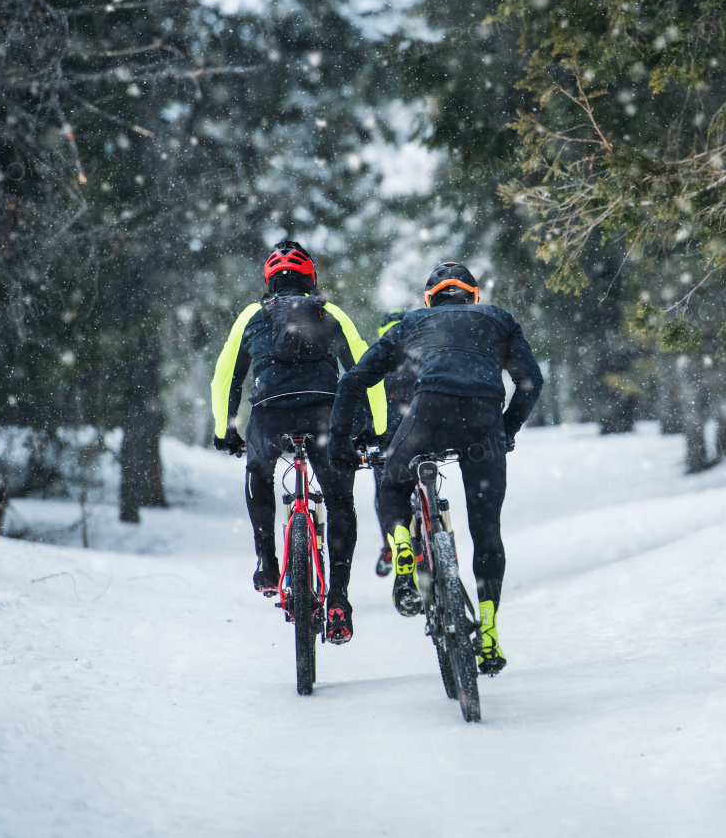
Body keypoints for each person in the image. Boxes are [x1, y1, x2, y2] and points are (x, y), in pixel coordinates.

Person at [327, 262, 542, 675]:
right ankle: (490, 629)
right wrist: (505, 429)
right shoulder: (499, 320)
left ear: (431, 299)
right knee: (486, 529)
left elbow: (355, 380)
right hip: (483, 421)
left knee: (392, 484)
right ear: (473, 296)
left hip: (429, 413)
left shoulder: (413, 322)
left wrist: (339, 442)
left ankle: (403, 542)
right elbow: (531, 381)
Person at [210, 240, 386, 645]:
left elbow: (225, 376)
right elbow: (363, 370)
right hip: (325, 418)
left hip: (270, 418)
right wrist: (375, 429)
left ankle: (267, 563)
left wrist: (225, 431)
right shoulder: (329, 312)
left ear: (270, 281)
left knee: (259, 471)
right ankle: (339, 598)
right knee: (340, 501)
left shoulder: (253, 315)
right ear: (311, 278)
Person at [372, 308, 420, 569]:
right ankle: (432, 522)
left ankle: (390, 541)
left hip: (387, 440)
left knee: (384, 490)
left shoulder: (379, 357)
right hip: (422, 435)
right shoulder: (421, 355)